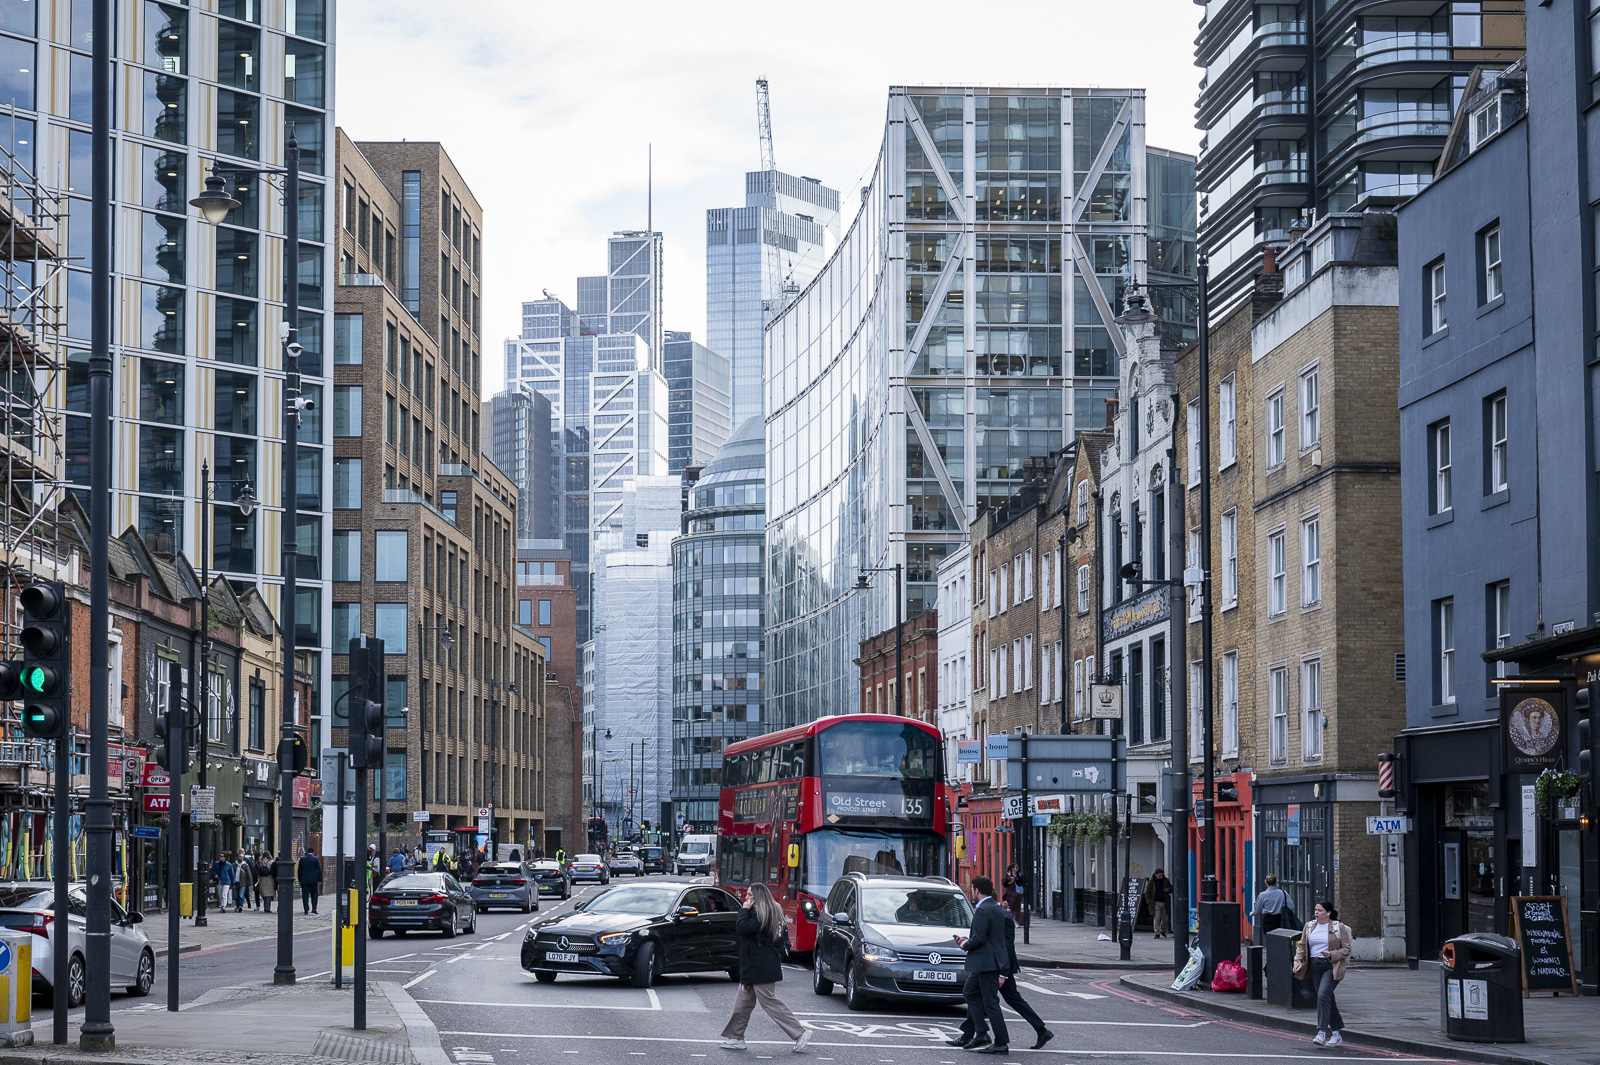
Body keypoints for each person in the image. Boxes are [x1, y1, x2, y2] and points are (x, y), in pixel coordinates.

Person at [718, 883, 810, 1053]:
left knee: (769, 1002)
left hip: (761, 968)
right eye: (747, 895)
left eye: (751, 895)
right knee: (742, 1003)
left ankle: (800, 1033)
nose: (747, 897)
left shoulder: (762, 915)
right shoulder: (765, 913)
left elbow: (742, 928)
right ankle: (736, 1037)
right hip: (754, 967)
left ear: (759, 897)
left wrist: (744, 910)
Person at [946, 875, 1010, 1054]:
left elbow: (979, 938)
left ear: (976, 891)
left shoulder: (983, 910)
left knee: (990, 1003)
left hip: (986, 963)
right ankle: (980, 1033)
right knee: (969, 992)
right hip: (986, 962)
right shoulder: (995, 907)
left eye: (973, 890)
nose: (972, 893)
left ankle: (1001, 1043)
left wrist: (965, 944)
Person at [1292, 900, 1352, 1049]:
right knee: (1327, 998)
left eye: (1319, 910)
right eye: (1315, 910)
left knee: (1323, 995)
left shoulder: (1339, 927)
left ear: (1328, 913)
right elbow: (1301, 946)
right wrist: (1297, 962)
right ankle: (1337, 1034)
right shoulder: (1309, 926)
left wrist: (1332, 954)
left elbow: (1346, 949)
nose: (1316, 913)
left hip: (1330, 966)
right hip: (1314, 966)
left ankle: (1322, 1032)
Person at [1143, 869, 1173, 939]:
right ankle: (1157, 932)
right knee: (1157, 917)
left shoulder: (1166, 881)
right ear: (1156, 875)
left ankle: (1162, 930)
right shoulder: (1152, 882)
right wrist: (1149, 902)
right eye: (1159, 876)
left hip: (1165, 901)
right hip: (1155, 902)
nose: (1160, 877)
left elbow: (1171, 889)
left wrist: (1168, 890)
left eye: (1162, 875)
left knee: (1165, 918)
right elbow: (1147, 893)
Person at [297, 847, 323, 915]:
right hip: (314, 880)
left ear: (307, 851)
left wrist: (300, 879)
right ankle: (314, 908)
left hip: (304, 880)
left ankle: (306, 909)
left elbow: (299, 870)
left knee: (305, 895)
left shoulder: (302, 859)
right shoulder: (316, 859)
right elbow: (319, 870)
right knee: (314, 894)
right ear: (313, 852)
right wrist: (320, 879)